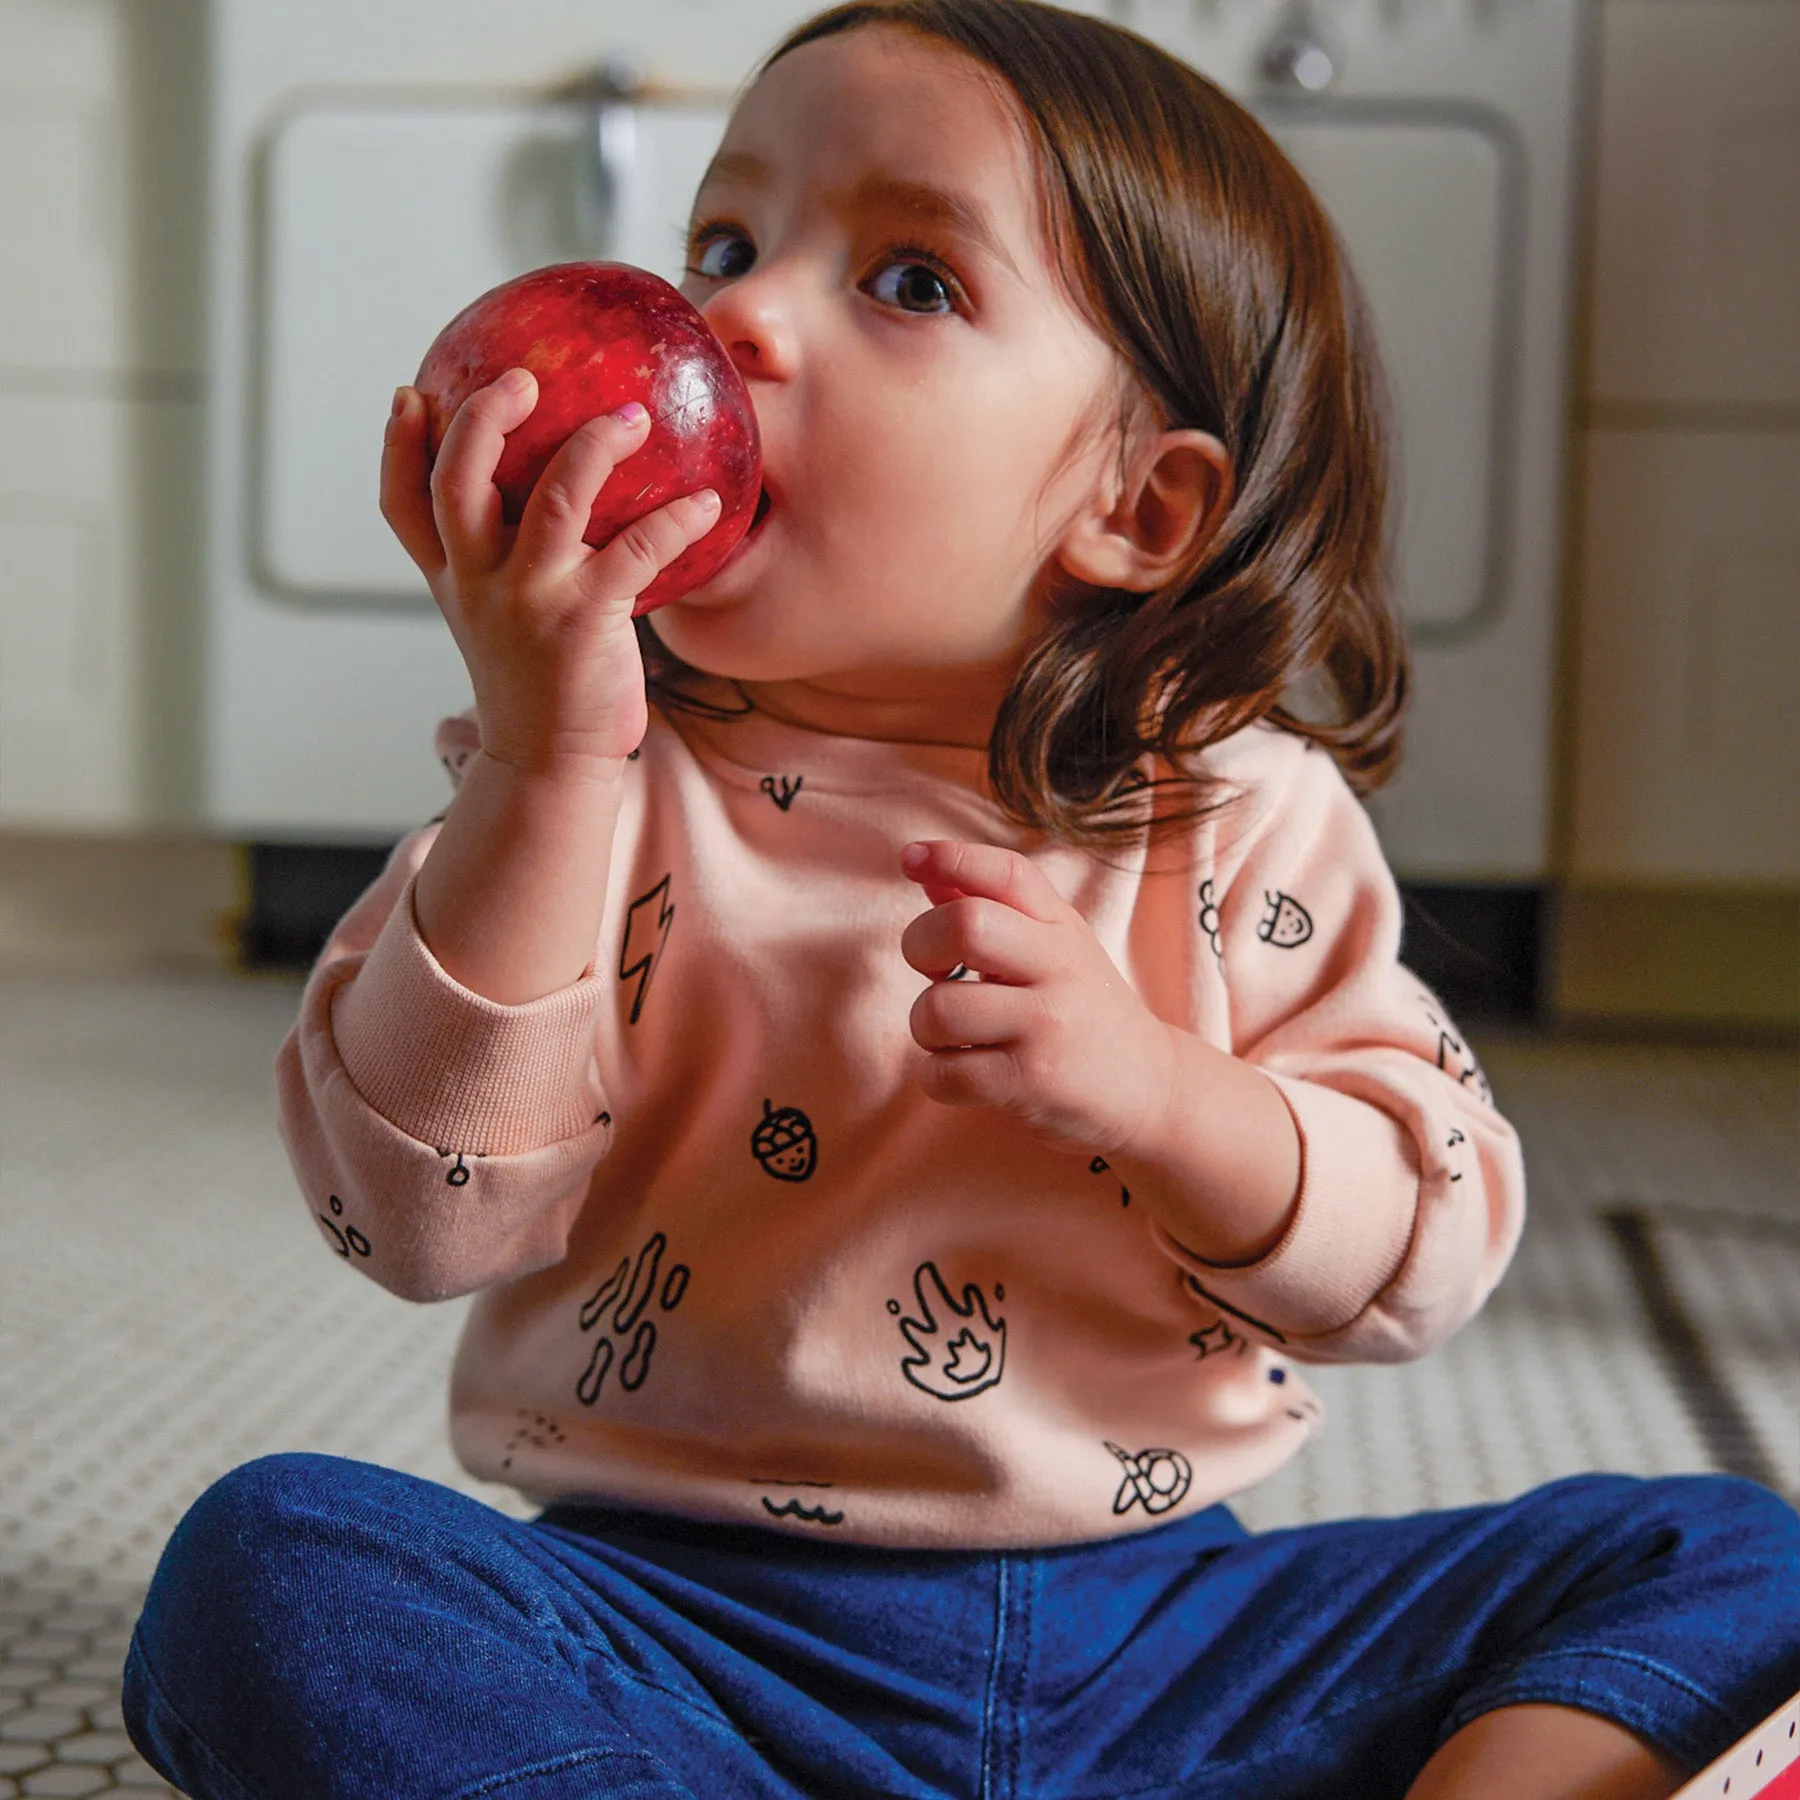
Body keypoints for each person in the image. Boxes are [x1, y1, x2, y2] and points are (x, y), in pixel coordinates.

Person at [123, 4, 1799, 1796]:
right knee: (272, 1561)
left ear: (1138, 510)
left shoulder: (1238, 814)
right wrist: (542, 775)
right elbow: (412, 1223)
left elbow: (1425, 1245)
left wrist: (1165, 1094)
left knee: (1729, 1556)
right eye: (725, 245)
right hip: (684, 1639)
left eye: (909, 282)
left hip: (1169, 1650)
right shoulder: (580, 790)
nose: (736, 318)